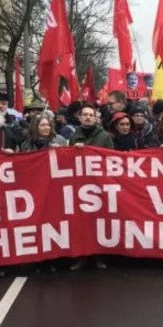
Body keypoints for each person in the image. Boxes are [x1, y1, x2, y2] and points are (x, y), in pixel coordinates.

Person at [67, 104, 112, 270]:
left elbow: (111, 159)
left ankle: (97, 256)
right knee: (81, 223)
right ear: (79, 118)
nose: (87, 117)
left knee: (98, 222)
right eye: (84, 115)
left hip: (98, 184)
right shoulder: (74, 136)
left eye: (90, 115)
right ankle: (81, 256)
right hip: (79, 186)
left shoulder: (105, 137)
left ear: (95, 118)